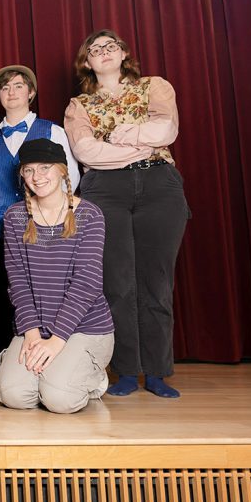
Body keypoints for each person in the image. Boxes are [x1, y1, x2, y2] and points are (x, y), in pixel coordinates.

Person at [64, 30, 188, 398]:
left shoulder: (155, 86)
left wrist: (120, 135)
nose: (103, 52)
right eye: (95, 49)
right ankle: (126, 372)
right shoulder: (78, 105)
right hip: (106, 190)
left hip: (159, 186)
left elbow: (166, 129)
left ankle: (157, 372)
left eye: (110, 46)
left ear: (123, 54)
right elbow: (86, 152)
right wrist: (140, 143)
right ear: (87, 62)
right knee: (117, 283)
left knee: (157, 282)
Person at [0, 139, 115, 414]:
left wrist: (57, 341)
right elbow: (18, 282)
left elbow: (86, 285)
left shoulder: (90, 215)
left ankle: (91, 377)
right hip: (36, 326)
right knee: (14, 396)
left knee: (60, 399)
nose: (37, 176)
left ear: (62, 170)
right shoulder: (15, 217)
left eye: (45, 167)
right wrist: (32, 333)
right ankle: (48, 374)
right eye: (28, 170)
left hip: (84, 327)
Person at [0, 65, 79, 378]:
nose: (11, 92)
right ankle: (7, 363)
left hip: (48, 227)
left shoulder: (53, 131)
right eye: (5, 87)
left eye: (18, 86)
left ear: (31, 92)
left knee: (46, 293)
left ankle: (50, 359)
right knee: (6, 295)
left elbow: (70, 178)